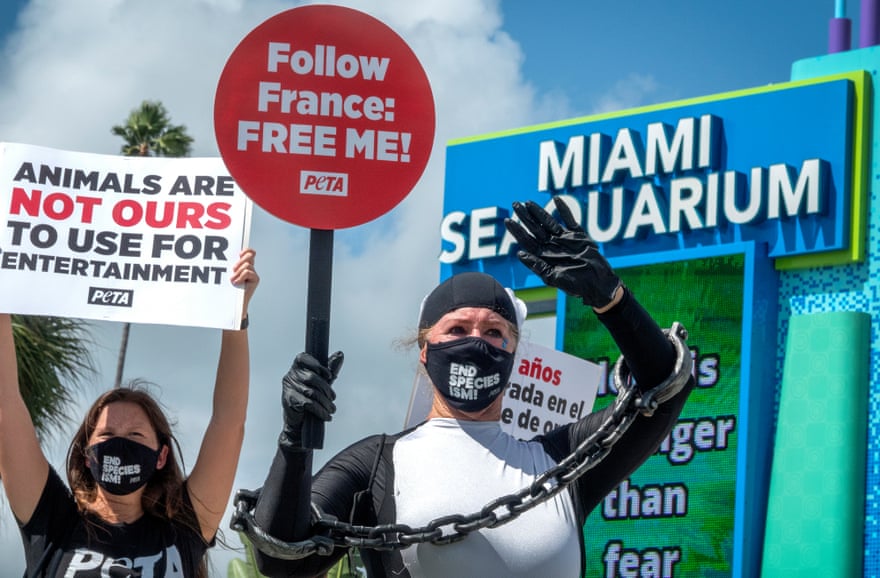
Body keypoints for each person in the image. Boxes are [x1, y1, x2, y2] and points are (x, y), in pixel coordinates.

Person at [250, 197, 694, 578]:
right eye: (457, 328)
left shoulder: (562, 462)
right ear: (424, 349)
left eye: (495, 332)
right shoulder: (377, 464)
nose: (476, 342)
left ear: (514, 355)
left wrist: (611, 297)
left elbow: (666, 386)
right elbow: (282, 561)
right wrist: (294, 439)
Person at [0, 248, 259, 578]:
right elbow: (6, 403)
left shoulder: (184, 529)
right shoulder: (53, 523)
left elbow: (229, 421)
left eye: (135, 435)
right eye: (107, 435)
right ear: (86, 455)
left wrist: (237, 316)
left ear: (161, 456)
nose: (119, 445)